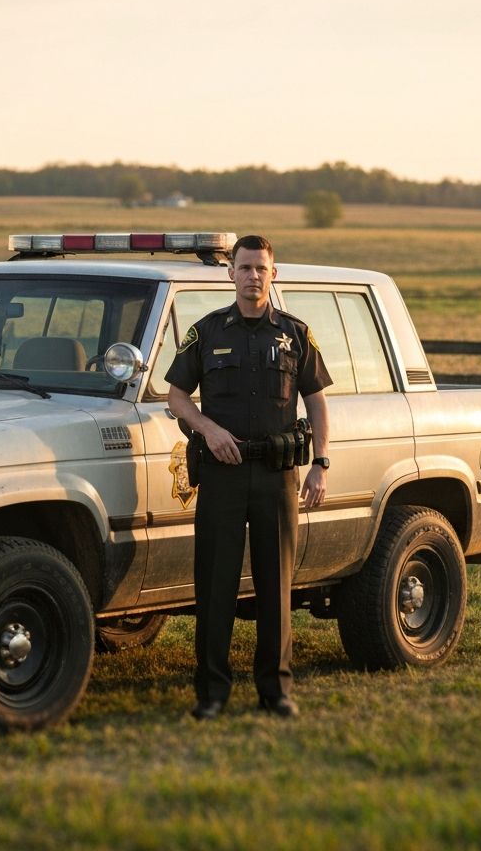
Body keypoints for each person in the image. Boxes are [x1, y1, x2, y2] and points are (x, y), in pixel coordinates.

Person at [166, 234, 331, 720]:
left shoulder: (296, 334)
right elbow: (176, 397)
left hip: (278, 476)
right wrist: (208, 428)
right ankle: (211, 693)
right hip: (222, 474)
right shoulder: (208, 332)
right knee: (214, 585)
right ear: (231, 273)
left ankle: (275, 690)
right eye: (245, 267)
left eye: (261, 268)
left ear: (273, 274)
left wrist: (320, 463)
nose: (253, 276)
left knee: (276, 585)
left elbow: (317, 401)